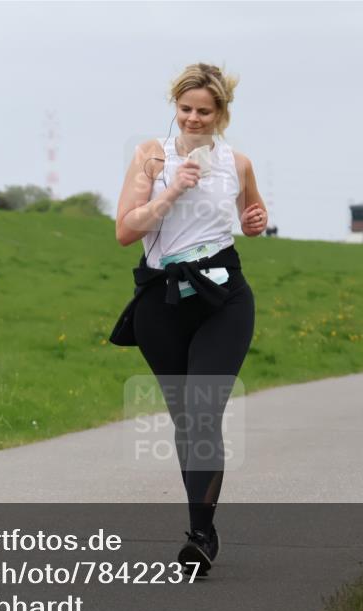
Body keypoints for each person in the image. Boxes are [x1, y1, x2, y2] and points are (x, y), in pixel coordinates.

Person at [113, 63, 265, 575]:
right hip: (162, 301)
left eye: (205, 111)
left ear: (221, 113)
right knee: (187, 421)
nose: (194, 119)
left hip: (223, 297)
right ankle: (204, 521)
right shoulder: (150, 157)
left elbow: (253, 218)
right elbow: (125, 232)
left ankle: (199, 538)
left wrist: (256, 221)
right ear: (174, 108)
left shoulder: (237, 163)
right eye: (185, 110)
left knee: (203, 410)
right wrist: (170, 189)